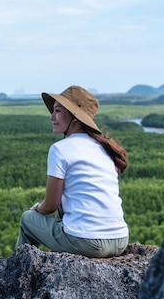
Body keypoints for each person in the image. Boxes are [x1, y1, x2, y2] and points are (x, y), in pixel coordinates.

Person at [15, 85, 129, 258]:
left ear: (75, 117)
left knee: (27, 218)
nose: (52, 117)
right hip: (120, 240)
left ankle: (18, 271)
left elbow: (50, 206)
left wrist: (36, 208)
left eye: (58, 111)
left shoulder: (60, 149)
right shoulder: (104, 148)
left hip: (87, 242)